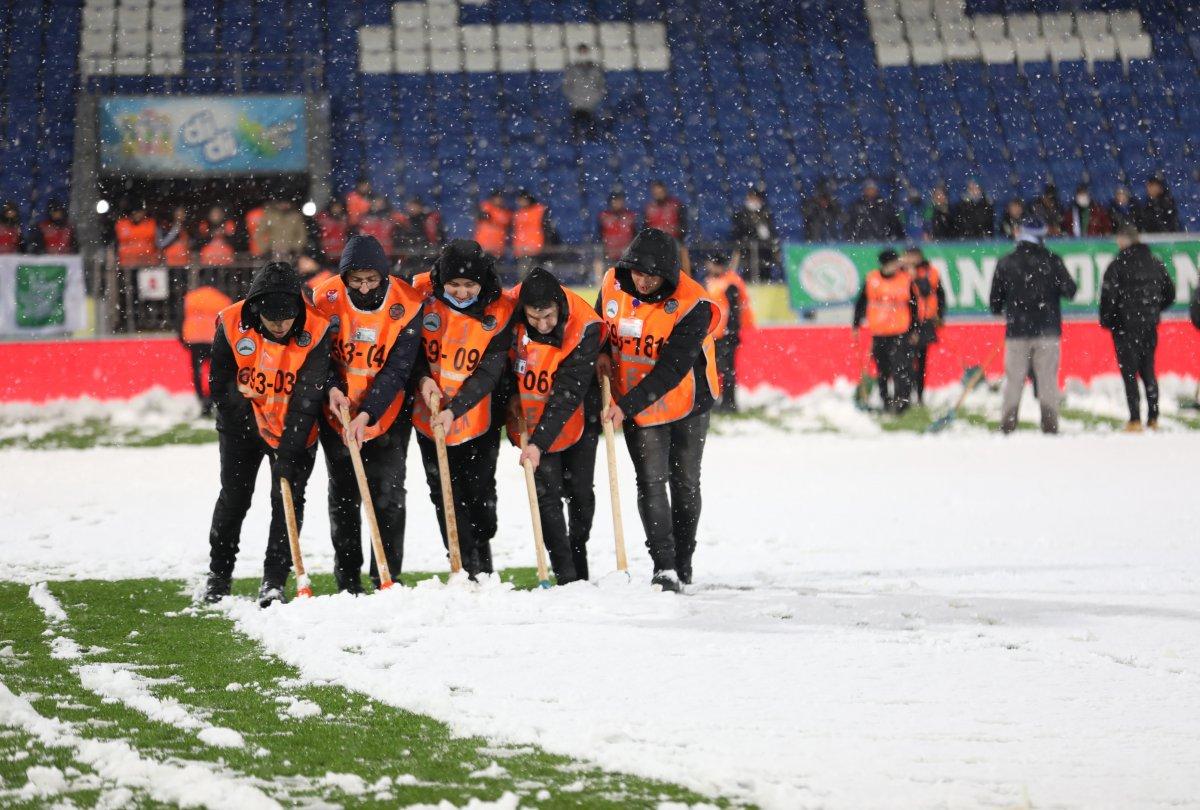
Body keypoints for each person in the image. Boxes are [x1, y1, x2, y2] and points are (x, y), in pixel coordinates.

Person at [202, 261, 334, 606]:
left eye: (286, 319)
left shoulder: (317, 329)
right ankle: (219, 574)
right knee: (234, 499)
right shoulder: (231, 323)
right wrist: (253, 426)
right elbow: (221, 385)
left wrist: (288, 449)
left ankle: (274, 580)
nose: (279, 326)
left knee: (287, 502)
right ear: (256, 308)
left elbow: (308, 397)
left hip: (295, 431)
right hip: (241, 427)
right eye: (271, 319)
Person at [596, 228, 721, 591]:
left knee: (684, 484)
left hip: (686, 400)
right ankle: (663, 566)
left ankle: (684, 560)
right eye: (637, 272)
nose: (643, 281)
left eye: (652, 275)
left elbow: (672, 368)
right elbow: (596, 326)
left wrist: (626, 405)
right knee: (650, 482)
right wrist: (602, 354)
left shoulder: (693, 304)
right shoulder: (612, 284)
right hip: (635, 400)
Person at [313, 235, 425, 591]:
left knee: (389, 494)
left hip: (387, 412)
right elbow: (317, 356)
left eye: (371, 280)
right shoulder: (323, 299)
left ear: (384, 277)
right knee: (343, 494)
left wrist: (369, 413)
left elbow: (399, 367)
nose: (363, 288)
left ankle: (387, 575)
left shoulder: (407, 303)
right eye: (355, 280)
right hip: (337, 411)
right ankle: (347, 579)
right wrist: (332, 388)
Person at [412, 240, 516, 579]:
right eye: (453, 284)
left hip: (478, 417)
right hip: (429, 417)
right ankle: (461, 560)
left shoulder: (499, 311)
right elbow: (405, 351)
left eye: (469, 285)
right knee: (444, 492)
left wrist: (455, 410)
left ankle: (481, 546)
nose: (460, 292)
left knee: (479, 492)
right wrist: (422, 379)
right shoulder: (420, 299)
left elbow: (489, 372)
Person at [507, 267, 603, 583]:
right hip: (530, 421)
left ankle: (578, 551)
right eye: (534, 319)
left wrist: (538, 443)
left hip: (576, 417)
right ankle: (565, 573)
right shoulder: (509, 312)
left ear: (558, 305)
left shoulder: (584, 323)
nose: (543, 325)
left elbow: (568, 392)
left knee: (580, 494)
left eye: (548, 316)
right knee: (546, 498)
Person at [989, 219, 1078, 434]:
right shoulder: (1052, 261)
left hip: (1017, 332)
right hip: (1047, 331)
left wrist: (1013, 309)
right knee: (1047, 380)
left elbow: (994, 303)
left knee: (1014, 381)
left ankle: (1007, 425)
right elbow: (1071, 290)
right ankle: (1050, 424)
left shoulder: (1006, 262)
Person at [1099, 226, 1175, 431]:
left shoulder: (1117, 265)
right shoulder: (1154, 262)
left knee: (1130, 373)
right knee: (1148, 370)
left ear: (1123, 240)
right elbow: (1170, 293)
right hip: (1149, 325)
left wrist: (1109, 321)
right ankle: (1153, 417)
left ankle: (1134, 419)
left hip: (1125, 327)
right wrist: (1153, 311)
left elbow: (1108, 297)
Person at [852, 249, 918, 413]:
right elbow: (861, 302)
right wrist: (856, 323)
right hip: (879, 332)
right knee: (882, 369)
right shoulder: (872, 279)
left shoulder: (905, 279)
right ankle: (885, 400)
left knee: (900, 367)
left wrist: (914, 328)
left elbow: (914, 305)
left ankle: (901, 401)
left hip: (899, 332)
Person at [703, 254, 754, 412]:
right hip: (715, 333)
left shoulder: (730, 283)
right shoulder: (714, 281)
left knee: (727, 370)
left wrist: (730, 333)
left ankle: (729, 402)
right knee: (718, 369)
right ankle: (721, 401)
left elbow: (733, 312)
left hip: (725, 333)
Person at [178, 274, 232, 417]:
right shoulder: (223, 299)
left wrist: (182, 339)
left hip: (194, 340)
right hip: (214, 340)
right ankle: (210, 398)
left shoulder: (190, 297)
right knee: (215, 373)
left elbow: (180, 319)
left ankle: (202, 400)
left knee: (197, 372)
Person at [903, 247, 945, 406]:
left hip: (925, 321)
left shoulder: (930, 272)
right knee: (904, 361)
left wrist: (940, 315)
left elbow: (938, 294)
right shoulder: (900, 273)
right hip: (904, 322)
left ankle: (919, 395)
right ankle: (905, 394)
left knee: (920, 361)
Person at [730, 188, 779, 281]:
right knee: (748, 277)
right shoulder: (741, 215)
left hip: (764, 253)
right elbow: (739, 232)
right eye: (751, 198)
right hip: (748, 252)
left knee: (765, 276)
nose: (752, 200)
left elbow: (771, 233)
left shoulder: (765, 214)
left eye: (755, 198)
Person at [562, 43, 605, 141]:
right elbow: (567, 86)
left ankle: (591, 139)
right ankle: (576, 138)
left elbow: (601, 85)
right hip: (577, 103)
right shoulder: (572, 70)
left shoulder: (596, 69)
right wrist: (574, 97)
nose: (583, 54)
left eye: (584, 51)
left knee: (591, 127)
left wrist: (595, 97)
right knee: (576, 126)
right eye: (581, 51)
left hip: (590, 105)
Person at [512, 190, 553, 264]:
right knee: (524, 273)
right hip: (522, 250)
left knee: (534, 271)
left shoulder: (539, 210)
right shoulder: (518, 213)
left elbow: (547, 228)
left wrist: (547, 243)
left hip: (535, 248)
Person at [114, 202, 159, 267]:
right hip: (126, 264)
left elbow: (159, 243)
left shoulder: (151, 224)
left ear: (144, 213)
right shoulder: (122, 224)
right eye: (135, 212)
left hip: (148, 263)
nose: (138, 215)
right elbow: (115, 244)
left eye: (140, 212)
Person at [598, 191, 637, 264]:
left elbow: (634, 235)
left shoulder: (629, 217)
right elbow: (600, 236)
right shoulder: (604, 217)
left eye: (619, 201)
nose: (617, 204)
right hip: (610, 254)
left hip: (625, 255)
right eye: (615, 201)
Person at [356, 197, 397, 261]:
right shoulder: (365, 217)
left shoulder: (390, 216)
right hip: (370, 251)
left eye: (380, 202)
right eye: (376, 202)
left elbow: (395, 233)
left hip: (386, 251)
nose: (378, 204)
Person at [475, 190, 511, 259]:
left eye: (500, 198)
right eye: (496, 198)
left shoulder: (505, 212)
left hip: (498, 248)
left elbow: (507, 222)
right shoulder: (486, 207)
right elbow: (481, 214)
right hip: (484, 247)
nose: (499, 200)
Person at [315, 199, 350, 268]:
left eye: (338, 207)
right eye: (335, 207)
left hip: (340, 254)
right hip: (325, 254)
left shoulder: (345, 220)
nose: (336, 209)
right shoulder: (323, 218)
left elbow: (347, 234)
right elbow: (317, 232)